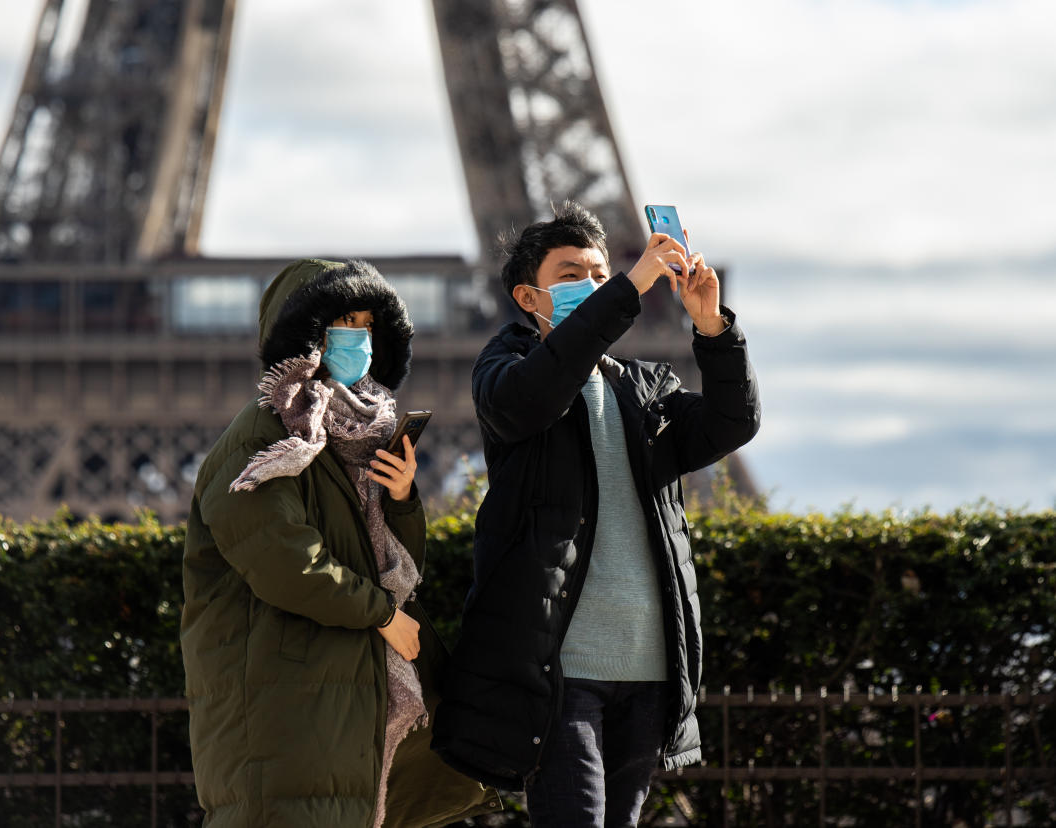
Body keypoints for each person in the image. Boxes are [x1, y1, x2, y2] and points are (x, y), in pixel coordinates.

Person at [431, 203, 762, 826]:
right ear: (530, 296)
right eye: (573, 274)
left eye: (601, 271)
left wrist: (714, 330)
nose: (595, 283)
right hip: (562, 672)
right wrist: (630, 288)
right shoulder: (503, 375)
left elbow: (732, 422)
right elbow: (534, 396)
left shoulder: (645, 388)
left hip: (647, 668)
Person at [181, 259, 498, 828]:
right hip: (287, 700)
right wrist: (381, 616)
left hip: (339, 697)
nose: (357, 336)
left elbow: (390, 565)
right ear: (303, 335)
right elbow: (284, 560)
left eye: (366, 322)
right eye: (340, 322)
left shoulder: (361, 436)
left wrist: (399, 498)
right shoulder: (266, 434)